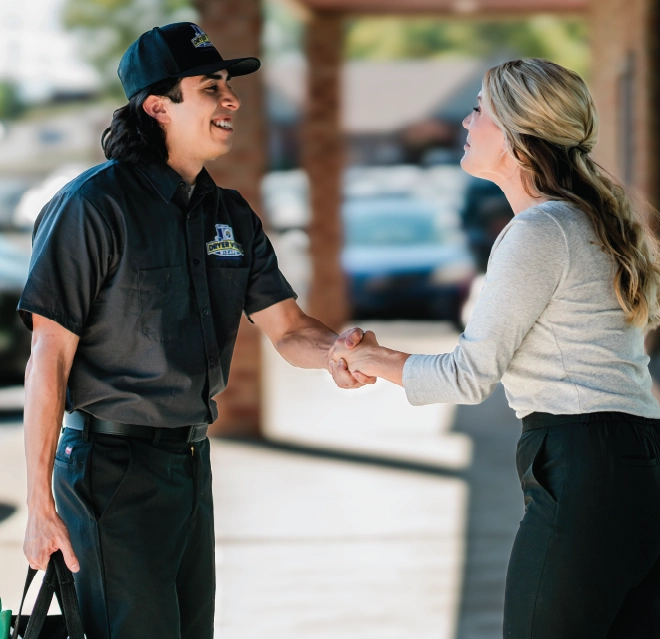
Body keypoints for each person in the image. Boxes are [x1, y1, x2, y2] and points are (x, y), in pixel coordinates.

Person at [19, 22, 372, 639]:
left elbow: (288, 329)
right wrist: (39, 506)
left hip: (189, 462)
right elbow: (48, 357)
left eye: (229, 86)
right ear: (159, 106)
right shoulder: (91, 207)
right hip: (109, 469)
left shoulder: (229, 214)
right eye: (212, 87)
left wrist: (339, 352)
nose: (231, 100)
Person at [331, 58, 660, 638]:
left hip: (583, 463)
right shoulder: (584, 221)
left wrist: (363, 356)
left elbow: (468, 376)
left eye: (479, 110)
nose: (465, 121)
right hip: (636, 461)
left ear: (514, 133)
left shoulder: (539, 232)